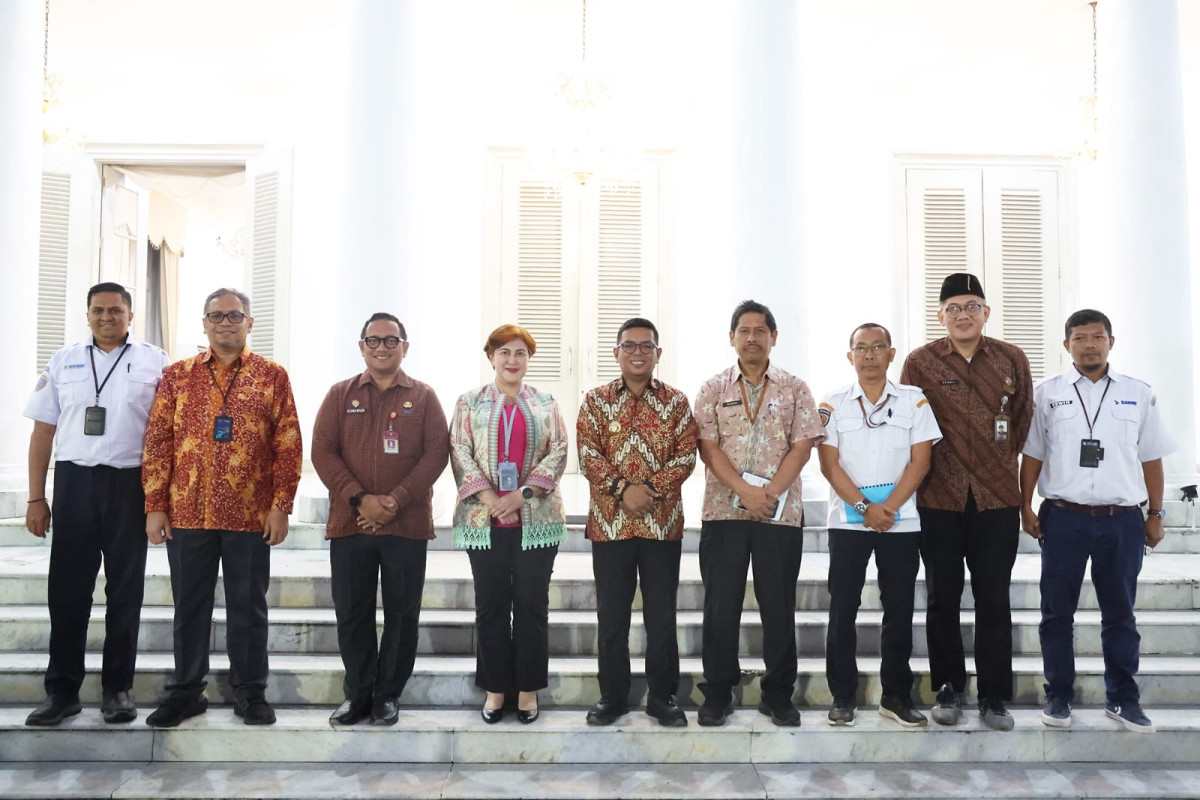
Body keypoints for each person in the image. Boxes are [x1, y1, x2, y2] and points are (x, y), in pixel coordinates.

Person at [141, 288, 302, 728]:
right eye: (216, 315)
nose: (225, 322)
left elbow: (288, 445)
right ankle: (186, 691)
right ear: (204, 323)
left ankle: (249, 691)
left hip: (250, 514)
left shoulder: (272, 376)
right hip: (187, 512)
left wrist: (280, 505)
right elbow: (157, 442)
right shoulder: (177, 376)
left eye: (234, 315)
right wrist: (155, 505)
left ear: (250, 322)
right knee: (189, 605)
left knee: (248, 606)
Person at [1020, 309, 1174, 734]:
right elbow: (1032, 454)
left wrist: (1155, 514)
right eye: (1080, 337)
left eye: (1097, 336)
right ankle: (1059, 696)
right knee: (1056, 614)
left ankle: (1123, 699)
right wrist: (1025, 506)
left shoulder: (1138, 393)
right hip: (1064, 518)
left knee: (1120, 615)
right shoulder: (1047, 394)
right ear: (1066, 344)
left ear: (1111, 342)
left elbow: (1151, 457)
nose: (1089, 344)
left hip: (1121, 521)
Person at [22, 282, 169, 726]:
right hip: (75, 484)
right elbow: (42, 433)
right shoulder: (63, 360)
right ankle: (62, 691)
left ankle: (117, 690)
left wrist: (160, 498)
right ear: (87, 315)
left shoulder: (156, 361)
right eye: (98, 310)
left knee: (126, 592)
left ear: (130, 315)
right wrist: (36, 497)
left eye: (116, 310)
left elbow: (167, 436)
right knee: (67, 592)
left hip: (131, 485)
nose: (107, 317)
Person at [899, 272, 1032, 731]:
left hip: (997, 499)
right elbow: (907, 423)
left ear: (986, 312)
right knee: (943, 596)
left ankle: (995, 695)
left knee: (994, 597)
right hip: (939, 496)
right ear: (941, 315)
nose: (963, 315)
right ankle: (948, 687)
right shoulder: (920, 362)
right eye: (953, 308)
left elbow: (1020, 421)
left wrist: (996, 465)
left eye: (971, 306)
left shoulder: (1012, 358)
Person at [311, 312, 449, 726]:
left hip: (405, 525)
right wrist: (360, 500)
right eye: (374, 341)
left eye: (391, 341)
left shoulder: (423, 397)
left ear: (405, 347)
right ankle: (358, 695)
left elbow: (437, 453)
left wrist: (394, 500)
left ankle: (388, 694)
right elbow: (322, 452)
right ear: (361, 347)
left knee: (402, 613)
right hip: (350, 524)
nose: (382, 348)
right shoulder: (340, 395)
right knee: (352, 612)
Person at [692, 299, 824, 727]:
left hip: (779, 515)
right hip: (723, 513)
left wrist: (768, 493)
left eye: (760, 331)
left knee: (778, 607)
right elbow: (707, 447)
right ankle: (717, 693)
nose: (752, 338)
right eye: (744, 331)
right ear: (731, 337)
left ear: (774, 337)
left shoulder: (794, 388)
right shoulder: (713, 389)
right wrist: (744, 491)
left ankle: (779, 694)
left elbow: (802, 445)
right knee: (720, 607)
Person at [817, 323, 941, 728]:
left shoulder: (914, 400)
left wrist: (886, 507)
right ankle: (842, 696)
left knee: (900, 610)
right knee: (842, 610)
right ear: (849, 356)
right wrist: (863, 506)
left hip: (900, 524)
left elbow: (921, 461)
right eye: (861, 348)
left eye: (878, 347)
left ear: (891, 354)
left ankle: (896, 696)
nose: (869, 354)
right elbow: (829, 465)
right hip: (848, 525)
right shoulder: (833, 403)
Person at [577, 318, 698, 727]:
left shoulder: (677, 403)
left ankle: (663, 697)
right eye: (629, 346)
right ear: (616, 353)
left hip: (661, 526)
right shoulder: (595, 401)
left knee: (661, 616)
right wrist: (621, 489)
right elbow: (588, 455)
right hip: (609, 526)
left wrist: (646, 491)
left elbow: (686, 457)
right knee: (612, 616)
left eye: (646, 346)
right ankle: (612, 696)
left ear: (658, 354)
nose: (638, 353)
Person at [449, 324, 568, 724]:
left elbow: (559, 452)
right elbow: (460, 452)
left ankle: (529, 689)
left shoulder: (547, 403)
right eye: (504, 353)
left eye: (519, 353)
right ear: (491, 358)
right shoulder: (469, 403)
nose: (512, 360)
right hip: (484, 522)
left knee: (532, 606)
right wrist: (492, 499)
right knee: (491, 606)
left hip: (536, 520)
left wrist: (523, 495)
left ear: (528, 359)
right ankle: (496, 689)